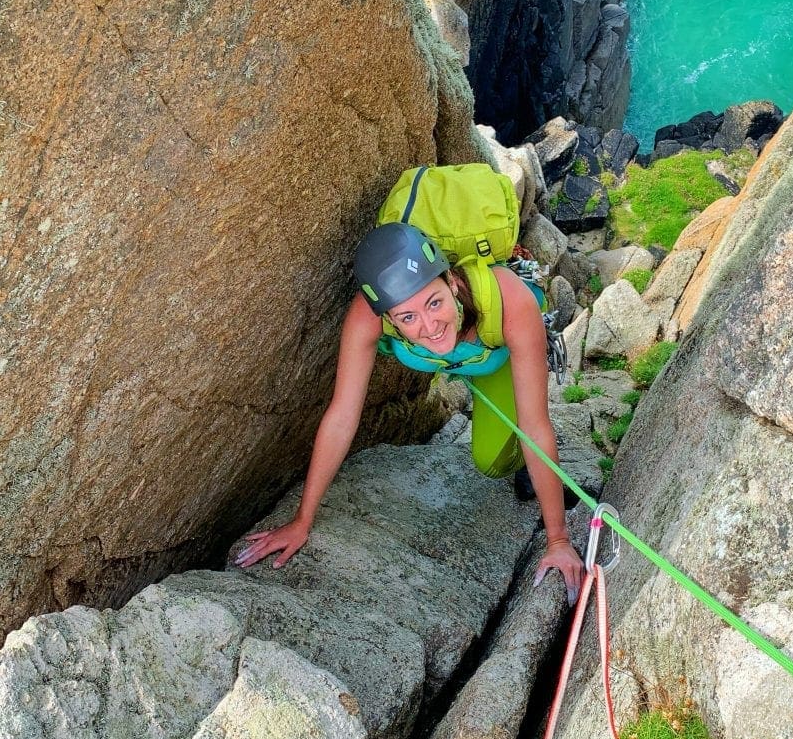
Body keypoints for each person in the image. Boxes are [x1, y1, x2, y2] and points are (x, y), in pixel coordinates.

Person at [235, 222, 585, 601]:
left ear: (452, 283)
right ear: (388, 317)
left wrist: (558, 540)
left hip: (497, 359)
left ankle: (528, 464)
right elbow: (342, 415)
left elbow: (535, 426)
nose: (430, 326)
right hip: (463, 358)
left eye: (434, 303)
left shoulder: (508, 301)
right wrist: (302, 521)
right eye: (407, 317)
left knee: (492, 462)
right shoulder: (368, 316)